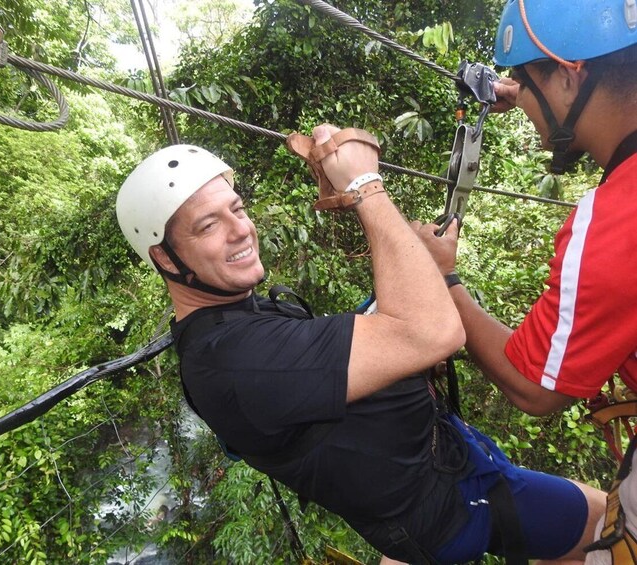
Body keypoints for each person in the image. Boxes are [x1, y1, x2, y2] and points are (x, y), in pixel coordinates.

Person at [115, 123, 604, 563]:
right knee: (603, 523)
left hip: (446, 477)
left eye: (236, 209)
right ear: (165, 257)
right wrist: (365, 188)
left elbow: (361, 339)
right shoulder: (236, 361)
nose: (241, 229)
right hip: (452, 508)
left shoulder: (237, 318)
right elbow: (431, 332)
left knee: (586, 527)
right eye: (208, 225)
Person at [413, 0, 637, 561]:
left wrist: (444, 278)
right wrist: (530, 93)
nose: (517, 95)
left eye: (522, 80)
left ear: (568, 74)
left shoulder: (612, 224)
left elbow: (532, 385)